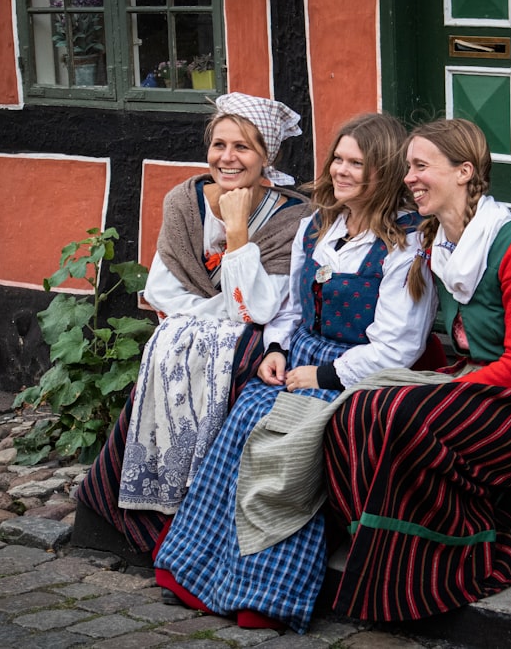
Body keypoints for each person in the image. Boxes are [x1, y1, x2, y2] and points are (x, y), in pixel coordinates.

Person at [152, 112, 438, 632]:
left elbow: (399, 346)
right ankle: (195, 573)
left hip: (360, 372)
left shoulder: (406, 242)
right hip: (302, 356)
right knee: (243, 419)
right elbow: (288, 307)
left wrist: (323, 376)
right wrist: (277, 348)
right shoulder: (320, 224)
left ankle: (266, 593)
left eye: (359, 163)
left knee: (287, 444)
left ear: (388, 170)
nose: (343, 171)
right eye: (339, 159)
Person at [321, 118, 511, 622]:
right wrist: (402, 384)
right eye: (408, 167)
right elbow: (425, 339)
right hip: (478, 387)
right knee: (354, 411)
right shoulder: (438, 246)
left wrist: (429, 392)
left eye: (421, 166)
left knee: (407, 418)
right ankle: (387, 556)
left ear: (465, 172)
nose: (408, 177)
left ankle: (455, 555)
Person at [73, 92, 310, 554]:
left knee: (236, 356)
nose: (227, 157)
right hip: (195, 328)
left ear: (267, 155)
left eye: (243, 147)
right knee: (171, 347)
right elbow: (163, 291)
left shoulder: (291, 217)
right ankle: (134, 517)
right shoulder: (185, 201)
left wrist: (238, 232)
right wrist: (215, 317)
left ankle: (206, 522)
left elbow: (259, 311)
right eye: (219, 144)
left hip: (264, 339)